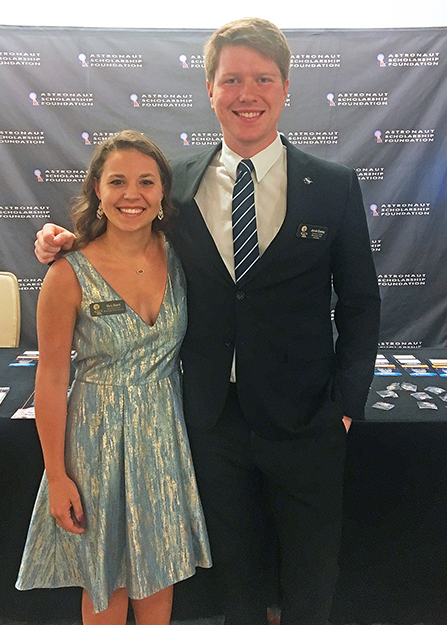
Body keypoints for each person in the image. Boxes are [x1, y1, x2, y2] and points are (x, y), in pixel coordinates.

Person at [34, 18, 381, 625]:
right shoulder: (177, 187)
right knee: (236, 580)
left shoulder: (334, 186)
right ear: (210, 89)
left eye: (263, 79)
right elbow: (123, 233)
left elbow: (360, 306)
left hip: (308, 422)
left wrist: (346, 403)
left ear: (285, 87)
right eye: (232, 79)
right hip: (208, 424)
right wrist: (61, 241)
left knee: (311, 576)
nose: (248, 93)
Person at [17, 130, 211, 625]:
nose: (132, 194)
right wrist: (57, 476)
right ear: (97, 192)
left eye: (146, 182)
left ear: (163, 195)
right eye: (118, 181)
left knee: (157, 575)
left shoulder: (183, 255)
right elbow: (50, 379)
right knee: (106, 582)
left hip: (164, 438)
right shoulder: (68, 273)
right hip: (94, 442)